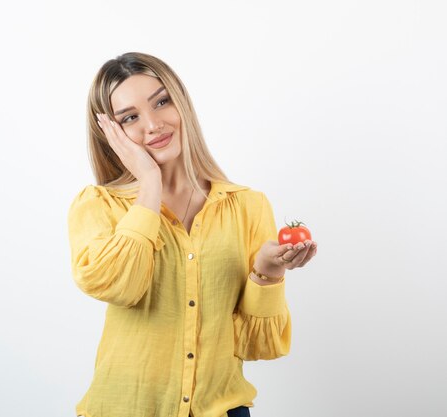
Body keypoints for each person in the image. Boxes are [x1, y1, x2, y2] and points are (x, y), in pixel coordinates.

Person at [67, 52, 318, 417]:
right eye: (131, 118)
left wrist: (267, 271)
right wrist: (149, 184)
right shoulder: (98, 205)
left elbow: (257, 346)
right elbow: (119, 286)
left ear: (181, 102)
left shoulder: (247, 205)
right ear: (111, 133)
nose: (153, 125)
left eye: (162, 102)